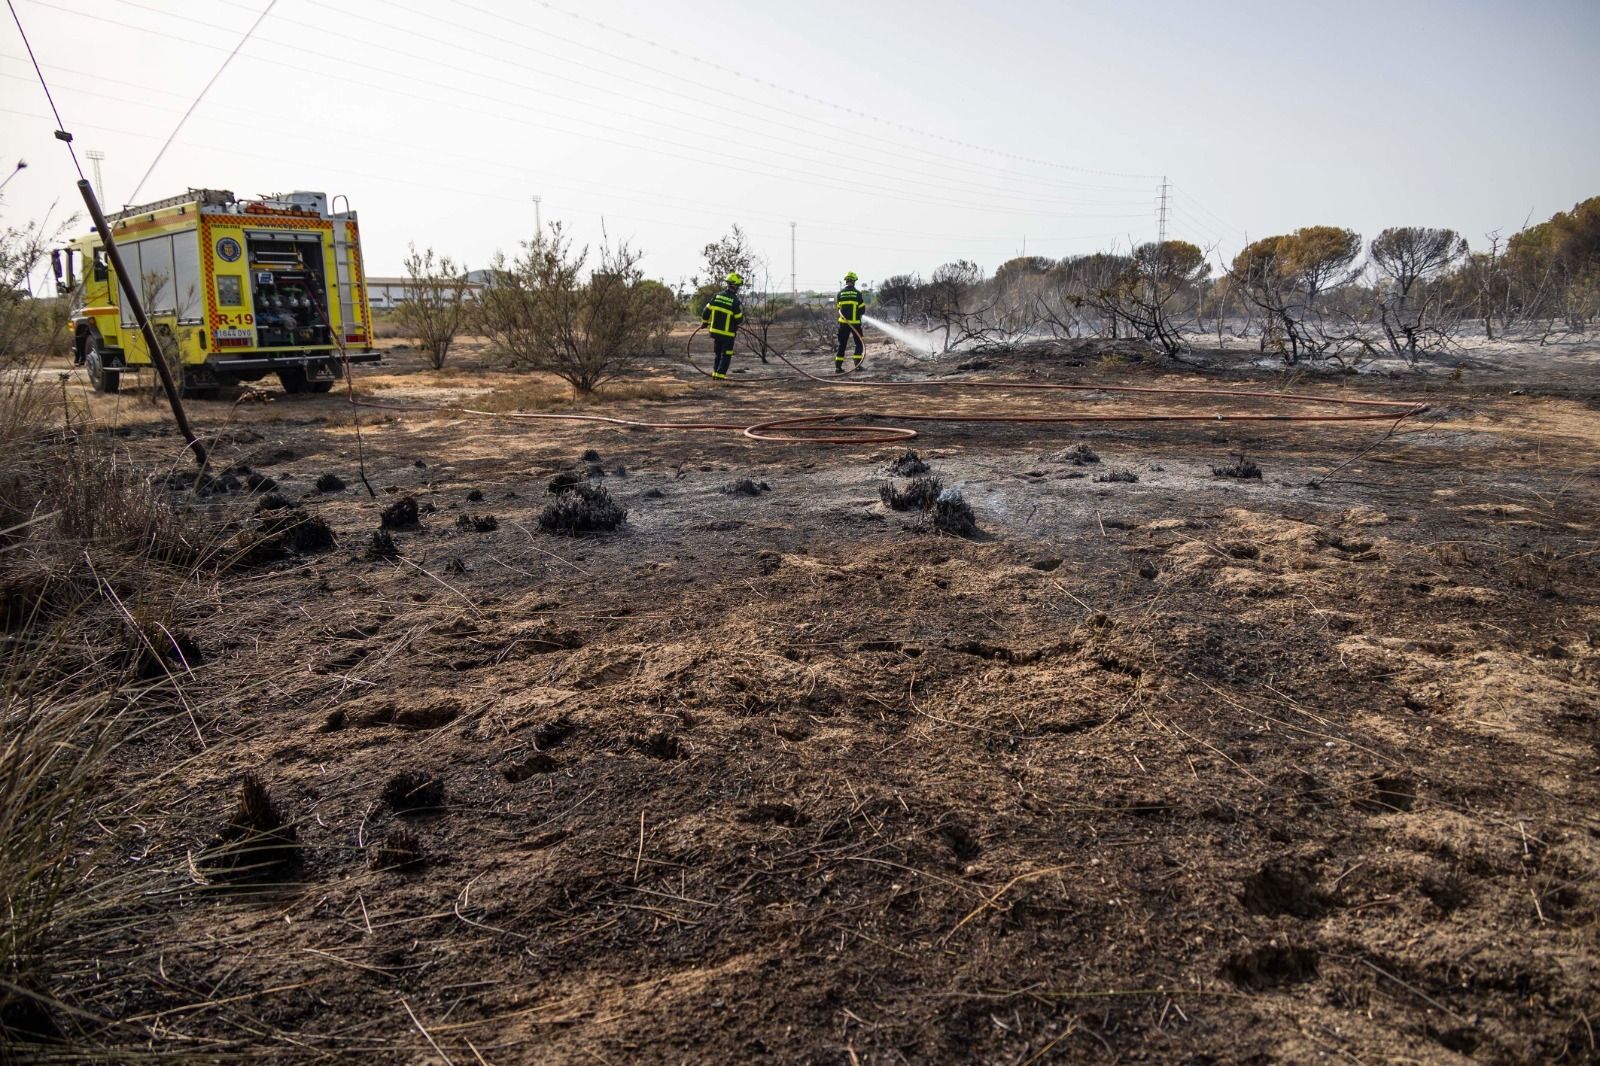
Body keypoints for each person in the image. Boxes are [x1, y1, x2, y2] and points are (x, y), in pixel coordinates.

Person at [701, 272, 745, 380]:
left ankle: (715, 375)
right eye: (738, 286)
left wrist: (705, 322)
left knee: (718, 354)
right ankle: (720, 377)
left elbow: (706, 311)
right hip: (728, 335)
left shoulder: (717, 296)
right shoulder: (735, 301)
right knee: (726, 355)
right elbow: (739, 319)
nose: (738, 288)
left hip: (715, 332)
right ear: (734, 286)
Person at [835, 271, 867, 373]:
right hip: (855, 324)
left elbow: (839, 308)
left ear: (846, 281)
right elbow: (862, 310)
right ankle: (857, 365)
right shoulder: (857, 294)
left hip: (843, 324)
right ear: (854, 281)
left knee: (842, 344)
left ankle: (838, 368)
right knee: (859, 342)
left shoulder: (840, 294)